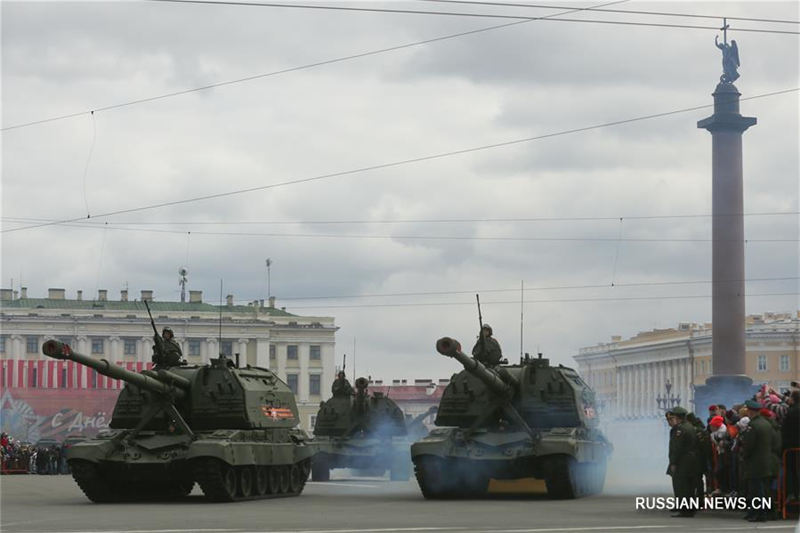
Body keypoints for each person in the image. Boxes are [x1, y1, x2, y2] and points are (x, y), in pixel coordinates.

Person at [741, 399, 772, 522]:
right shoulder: (766, 423)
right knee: (761, 488)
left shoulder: (753, 425)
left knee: (756, 489)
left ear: (750, 411)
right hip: (765, 460)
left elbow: (749, 444)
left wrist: (744, 455)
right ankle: (756, 512)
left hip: (755, 461)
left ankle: (759, 513)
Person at [666, 406, 700, 517]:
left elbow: (677, 448)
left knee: (683, 486)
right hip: (691, 460)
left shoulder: (680, 429)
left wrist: (673, 462)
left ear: (678, 417)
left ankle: (685, 510)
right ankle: (690, 509)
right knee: (690, 486)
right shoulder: (689, 426)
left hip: (683, 461)